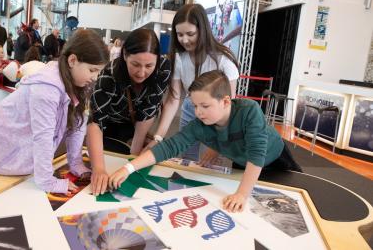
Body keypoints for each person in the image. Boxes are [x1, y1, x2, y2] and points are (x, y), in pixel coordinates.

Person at [109, 70, 302, 213]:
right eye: (194, 106)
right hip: (244, 163)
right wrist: (128, 168)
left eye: (205, 105)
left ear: (225, 101)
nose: (198, 112)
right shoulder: (200, 124)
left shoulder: (249, 110)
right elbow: (169, 147)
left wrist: (242, 194)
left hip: (277, 160)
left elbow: (257, 152)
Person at [0, 29, 109, 194]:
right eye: (92, 70)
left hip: (14, 157)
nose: (95, 77)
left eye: (99, 71)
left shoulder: (78, 83)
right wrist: (48, 182)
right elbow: (43, 136)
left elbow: (77, 125)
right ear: (72, 60)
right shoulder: (47, 87)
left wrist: (75, 163)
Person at [144, 3, 240, 161]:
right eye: (180, 35)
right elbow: (173, 100)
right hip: (191, 107)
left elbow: (230, 106)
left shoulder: (223, 60)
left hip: (219, 114)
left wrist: (217, 145)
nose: (185, 40)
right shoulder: (179, 58)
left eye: (190, 33)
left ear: (202, 30)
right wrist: (158, 138)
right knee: (187, 158)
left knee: (213, 161)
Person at [87, 29, 171, 194]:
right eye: (135, 64)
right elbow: (95, 122)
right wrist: (98, 169)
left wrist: (134, 157)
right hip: (109, 127)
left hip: (137, 125)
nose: (141, 73)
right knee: (109, 162)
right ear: (124, 55)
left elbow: (148, 112)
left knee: (136, 159)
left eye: (149, 66)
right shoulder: (108, 76)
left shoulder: (163, 69)